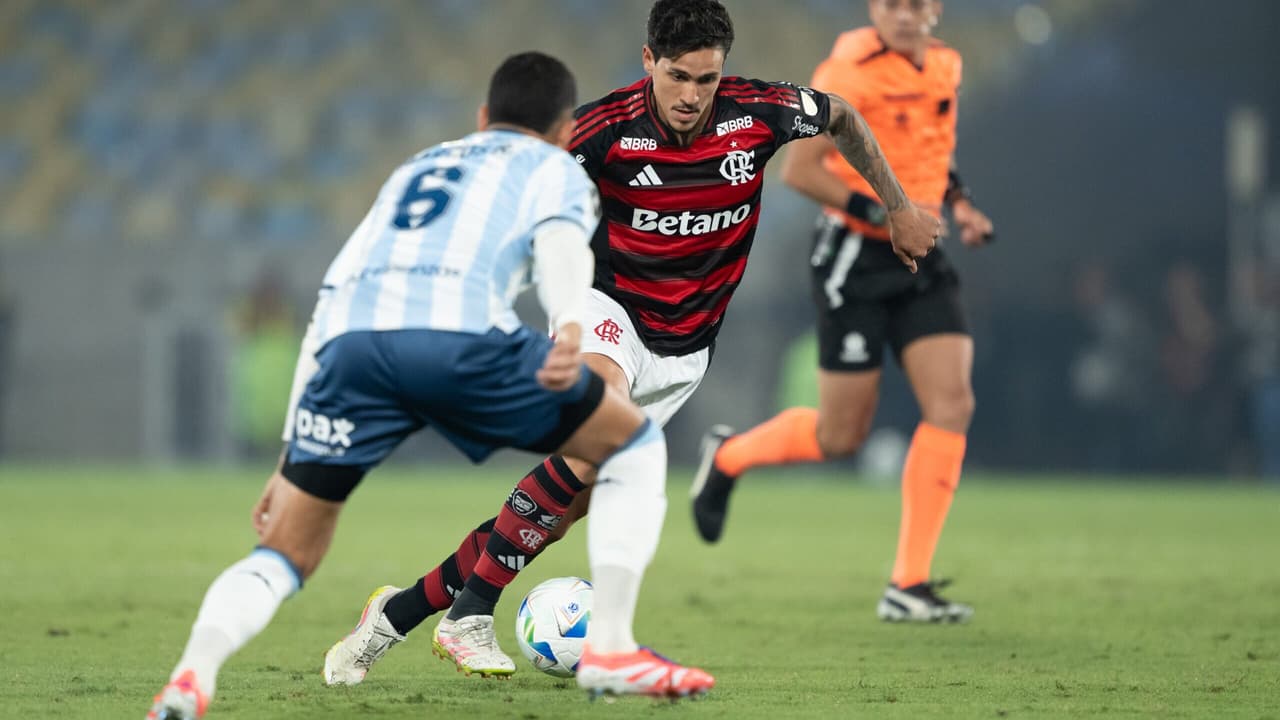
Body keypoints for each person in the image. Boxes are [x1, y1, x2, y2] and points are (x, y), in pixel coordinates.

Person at [321, 0, 940, 687]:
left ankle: (394, 614)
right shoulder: (603, 130)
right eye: (678, 76)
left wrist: (899, 205)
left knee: (550, 516)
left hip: (685, 349)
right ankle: (472, 615)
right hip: (606, 309)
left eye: (706, 80)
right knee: (596, 441)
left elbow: (844, 117)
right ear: (649, 60)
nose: (691, 95)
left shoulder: (761, 113)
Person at [146, 52, 714, 720]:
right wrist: (566, 326)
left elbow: (332, 292)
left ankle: (192, 676)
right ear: (566, 131)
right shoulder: (554, 167)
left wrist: (287, 452)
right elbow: (564, 247)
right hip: (461, 344)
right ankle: (611, 647)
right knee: (634, 442)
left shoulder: (415, 167)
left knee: (285, 554)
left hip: (355, 351)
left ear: (481, 119)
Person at [689, 0, 994, 623]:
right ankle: (729, 457)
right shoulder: (848, 71)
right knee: (840, 435)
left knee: (953, 403)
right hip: (855, 259)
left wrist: (957, 204)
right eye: (892, 4)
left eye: (916, 5)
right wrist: (889, 215)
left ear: (935, 9)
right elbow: (801, 173)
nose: (904, 16)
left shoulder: (945, 65)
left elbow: (931, 150)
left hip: (922, 256)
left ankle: (908, 583)